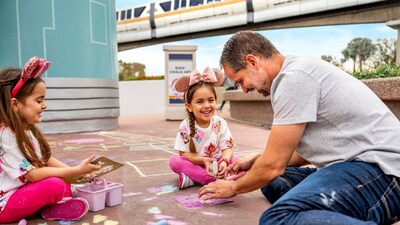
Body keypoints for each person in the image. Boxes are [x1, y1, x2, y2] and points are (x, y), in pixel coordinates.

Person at [198, 30, 400, 225]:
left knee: (279, 217)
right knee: (271, 182)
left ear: (252, 62)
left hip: (384, 173)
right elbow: (301, 155)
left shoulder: (294, 79)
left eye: (241, 80)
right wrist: (259, 160)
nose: (245, 89)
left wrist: (233, 187)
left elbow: (273, 166)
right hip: (356, 165)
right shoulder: (294, 72)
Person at [0, 57, 101, 223]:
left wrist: (76, 172)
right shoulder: (6, 136)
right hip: (6, 204)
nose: (44, 105)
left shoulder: (26, 129)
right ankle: (48, 208)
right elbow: (33, 175)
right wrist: (73, 172)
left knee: (64, 182)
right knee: (55, 184)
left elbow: (45, 160)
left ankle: (50, 209)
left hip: (23, 192)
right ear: (15, 104)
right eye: (39, 100)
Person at [169, 67, 239, 189]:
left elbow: (227, 148)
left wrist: (225, 161)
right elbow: (184, 153)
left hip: (216, 164)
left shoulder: (220, 123)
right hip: (196, 164)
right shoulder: (185, 126)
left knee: (236, 160)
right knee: (175, 161)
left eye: (211, 100)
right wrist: (202, 160)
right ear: (189, 106)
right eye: (200, 102)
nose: (207, 106)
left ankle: (193, 179)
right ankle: (214, 179)